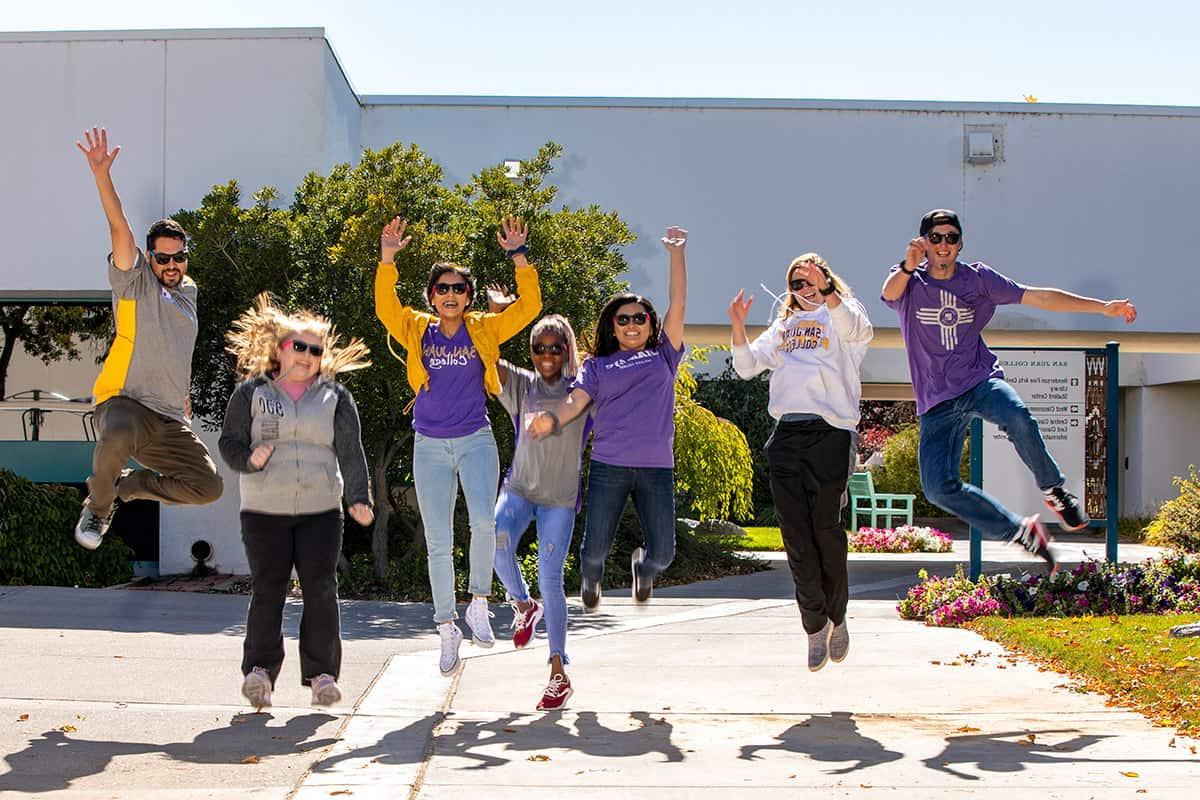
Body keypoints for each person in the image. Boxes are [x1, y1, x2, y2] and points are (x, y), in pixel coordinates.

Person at [881, 209, 1137, 571]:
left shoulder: (979, 279)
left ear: (960, 243)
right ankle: (1021, 533)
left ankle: (1054, 490)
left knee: (1017, 416)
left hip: (978, 381)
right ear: (924, 243)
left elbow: (1040, 298)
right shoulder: (910, 281)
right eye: (935, 238)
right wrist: (908, 265)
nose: (943, 244)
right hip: (936, 400)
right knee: (938, 489)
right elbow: (888, 292)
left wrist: (1102, 308)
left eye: (951, 238)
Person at [374, 215, 542, 676]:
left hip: (475, 440)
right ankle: (446, 624)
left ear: (468, 298)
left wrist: (518, 256)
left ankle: (479, 604)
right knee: (438, 540)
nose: (450, 295)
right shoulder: (415, 327)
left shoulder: (484, 329)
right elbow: (384, 305)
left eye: (459, 290)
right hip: (429, 444)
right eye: (442, 289)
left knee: (483, 525)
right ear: (432, 295)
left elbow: (529, 307)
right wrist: (388, 258)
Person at [218, 294, 373, 709]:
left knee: (321, 589)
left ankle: (323, 676)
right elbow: (229, 443)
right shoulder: (251, 393)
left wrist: (359, 497)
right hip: (263, 510)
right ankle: (259, 674)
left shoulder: (336, 398)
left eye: (316, 350)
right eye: (299, 346)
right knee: (268, 589)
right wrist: (249, 460)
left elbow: (350, 450)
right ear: (280, 349)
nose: (307, 355)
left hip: (321, 510)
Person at [72, 127, 222, 549]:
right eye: (163, 258)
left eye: (179, 257)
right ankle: (99, 510)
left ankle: (127, 487)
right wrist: (102, 176)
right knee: (117, 433)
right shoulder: (134, 282)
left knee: (207, 486)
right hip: (125, 403)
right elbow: (119, 229)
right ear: (150, 258)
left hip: (169, 419)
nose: (172, 264)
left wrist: (183, 391)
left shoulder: (189, 293)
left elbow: (174, 349)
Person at [528, 227, 688, 608]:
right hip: (609, 464)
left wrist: (676, 255)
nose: (632, 325)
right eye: (623, 319)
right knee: (594, 550)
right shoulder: (598, 366)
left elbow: (678, 302)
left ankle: (643, 571)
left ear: (651, 324)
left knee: (664, 554)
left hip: (656, 467)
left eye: (639, 318)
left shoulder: (665, 355)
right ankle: (592, 576)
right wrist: (551, 420)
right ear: (612, 327)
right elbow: (577, 400)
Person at [728, 254, 873, 671]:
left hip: (831, 433)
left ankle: (838, 618)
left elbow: (855, 327)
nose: (805, 290)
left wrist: (827, 291)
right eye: (797, 283)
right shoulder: (784, 326)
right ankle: (814, 626)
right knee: (795, 537)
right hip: (788, 435)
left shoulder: (844, 317)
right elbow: (746, 366)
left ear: (828, 280)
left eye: (812, 282)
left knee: (826, 531)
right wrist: (738, 325)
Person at [490, 312, 589, 711]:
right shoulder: (521, 384)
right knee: (493, 541)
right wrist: (498, 315)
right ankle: (524, 604)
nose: (547, 354)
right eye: (539, 348)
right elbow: (486, 358)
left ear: (566, 350)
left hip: (559, 500)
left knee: (551, 577)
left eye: (555, 347)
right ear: (530, 352)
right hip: (519, 490)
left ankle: (558, 673)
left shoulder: (582, 391)